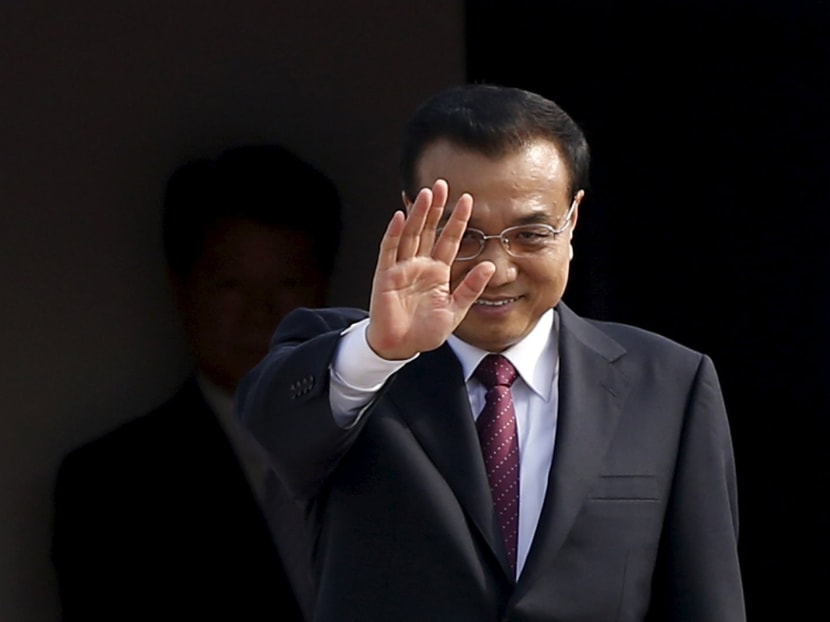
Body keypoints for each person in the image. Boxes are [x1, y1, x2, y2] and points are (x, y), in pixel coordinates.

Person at [235, 84, 746, 621]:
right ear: (412, 218)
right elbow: (272, 431)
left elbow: (705, 602)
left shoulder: (668, 384)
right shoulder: (354, 363)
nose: (496, 271)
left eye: (531, 234)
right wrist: (379, 352)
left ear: (573, 218)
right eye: (465, 236)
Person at [51, 144, 343, 621]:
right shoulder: (108, 487)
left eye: (288, 284)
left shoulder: (399, 456)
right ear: (181, 288)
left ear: (323, 289)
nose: (260, 314)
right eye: (230, 286)